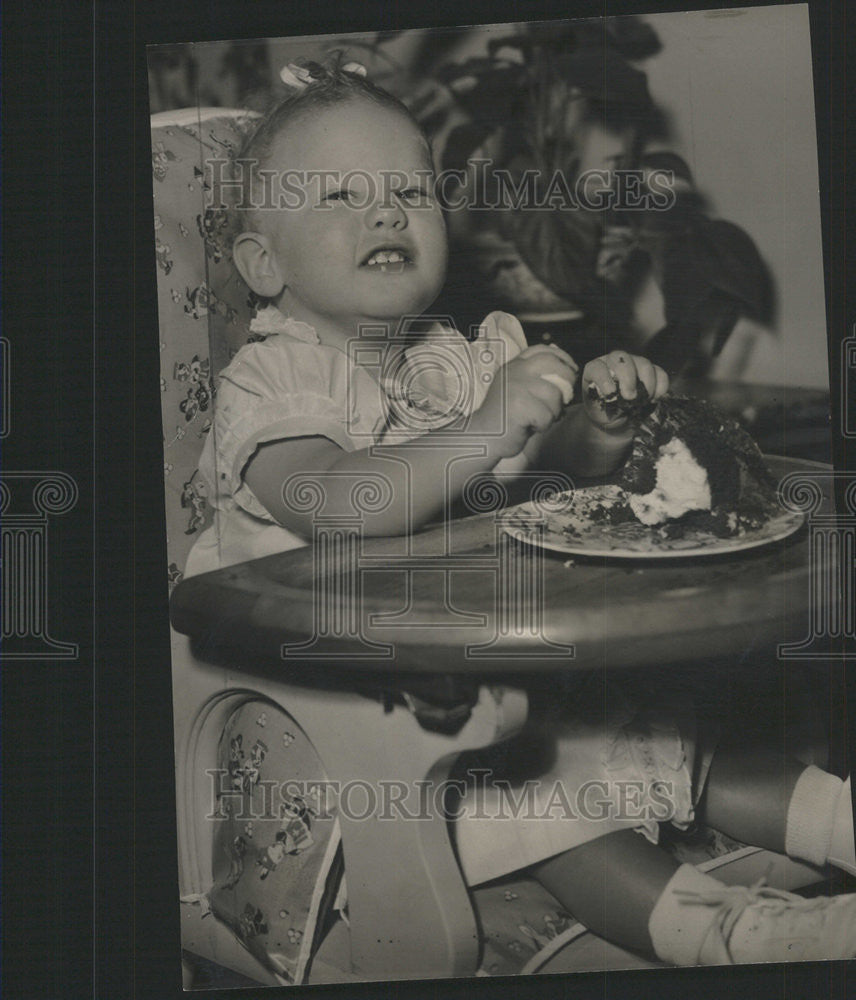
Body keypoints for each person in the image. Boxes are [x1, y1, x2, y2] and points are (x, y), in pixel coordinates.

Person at [185, 60, 856, 966]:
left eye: (410, 192)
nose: (386, 213)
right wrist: (487, 424)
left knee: (664, 727)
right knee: (540, 791)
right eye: (338, 194)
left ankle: (836, 820)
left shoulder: (466, 355)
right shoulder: (274, 378)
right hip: (340, 713)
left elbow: (546, 478)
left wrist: (600, 429)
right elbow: (336, 502)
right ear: (264, 264)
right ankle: (733, 939)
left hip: (482, 661)